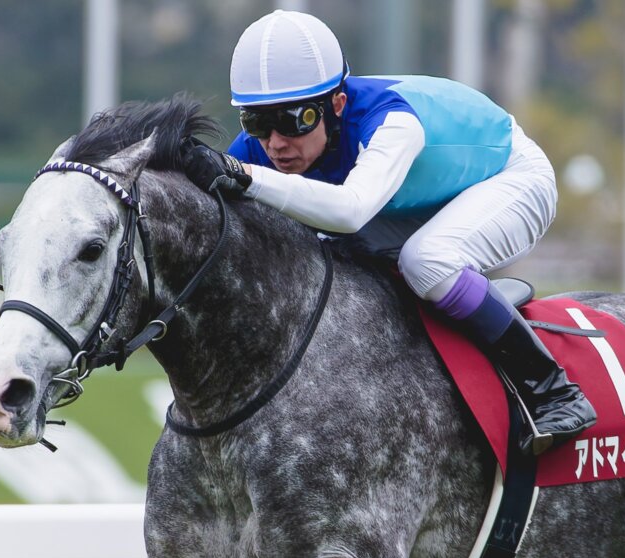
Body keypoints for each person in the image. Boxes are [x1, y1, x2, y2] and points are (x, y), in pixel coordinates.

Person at [181, 9, 596, 451]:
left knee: (427, 261)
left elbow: (351, 211)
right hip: (417, 201)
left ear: (336, 105)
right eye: (257, 123)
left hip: (511, 178)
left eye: (293, 120)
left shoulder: (392, 122)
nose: (275, 143)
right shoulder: (262, 146)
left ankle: (552, 390)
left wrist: (246, 176)